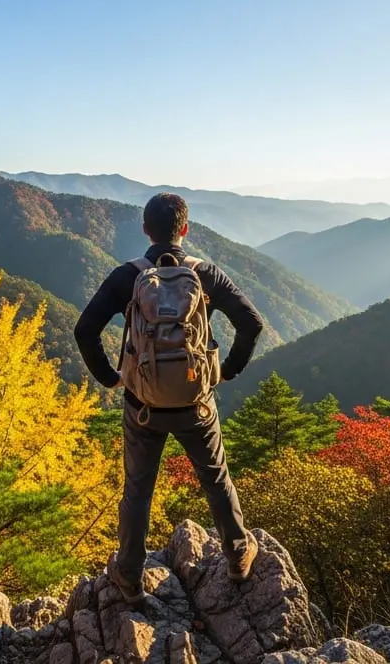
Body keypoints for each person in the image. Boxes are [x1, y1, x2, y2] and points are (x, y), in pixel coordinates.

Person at [74, 192, 266, 604]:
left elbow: (84, 330)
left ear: (145, 229)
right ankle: (237, 556)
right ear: (185, 229)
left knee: (138, 491)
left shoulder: (128, 276)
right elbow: (251, 323)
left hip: (142, 405)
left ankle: (128, 575)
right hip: (196, 402)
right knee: (216, 479)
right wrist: (228, 370)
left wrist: (110, 378)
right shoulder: (206, 274)